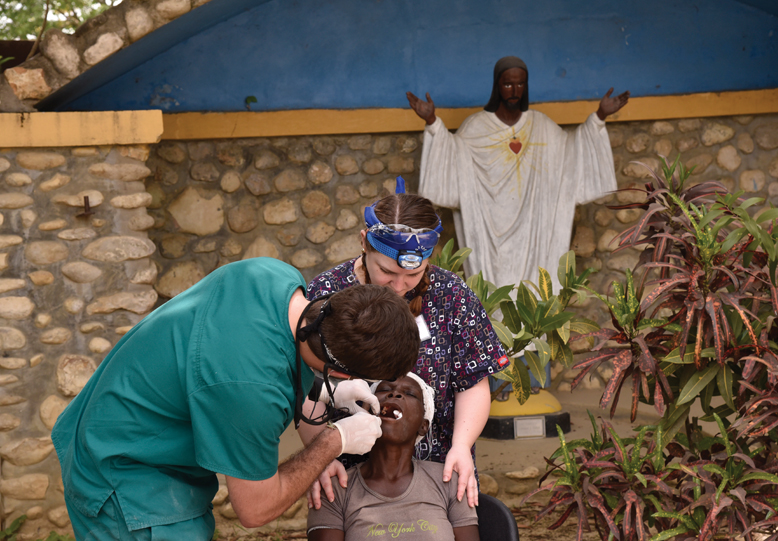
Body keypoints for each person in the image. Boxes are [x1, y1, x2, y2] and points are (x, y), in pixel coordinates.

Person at [52, 257, 421, 540]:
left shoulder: (274, 277)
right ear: (343, 370)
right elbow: (255, 510)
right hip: (127, 479)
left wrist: (327, 390)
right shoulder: (248, 391)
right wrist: (334, 440)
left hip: (112, 418)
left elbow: (294, 353)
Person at [303, 185, 507, 508]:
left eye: (413, 274)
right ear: (363, 243)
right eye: (386, 271)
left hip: (440, 476)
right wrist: (317, 454)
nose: (399, 286)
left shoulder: (453, 297)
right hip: (346, 479)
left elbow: (472, 382)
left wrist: (461, 446)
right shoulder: (328, 295)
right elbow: (304, 384)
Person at [406, 55, 630, 292]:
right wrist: (432, 121)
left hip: (534, 231)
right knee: (496, 295)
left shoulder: (541, 125)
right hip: (489, 230)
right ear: (497, 86)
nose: (515, 90)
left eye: (520, 84)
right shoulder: (477, 126)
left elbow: (570, 153)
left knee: (534, 291)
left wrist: (599, 118)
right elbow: (455, 155)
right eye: (508, 84)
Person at [307, 373, 480, 541]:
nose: (395, 393)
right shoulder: (334, 488)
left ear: (423, 426)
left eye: (410, 393)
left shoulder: (449, 481)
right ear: (365, 413)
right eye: (385, 389)